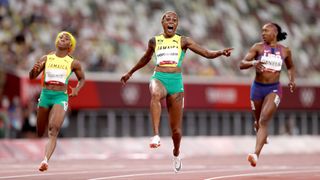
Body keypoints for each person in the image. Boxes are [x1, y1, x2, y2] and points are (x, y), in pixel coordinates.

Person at [120, 11, 233, 173]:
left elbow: (206, 53)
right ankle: (156, 135)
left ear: (177, 25)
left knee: (176, 131)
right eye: (168, 19)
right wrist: (130, 72)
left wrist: (221, 52)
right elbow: (145, 58)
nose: (171, 21)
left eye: (174, 20)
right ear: (162, 23)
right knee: (155, 94)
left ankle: (176, 152)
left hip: (176, 83)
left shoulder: (183, 41)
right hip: (159, 77)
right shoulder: (154, 41)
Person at [239, 23, 295, 167]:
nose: (262, 33)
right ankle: (261, 132)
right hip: (257, 89)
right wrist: (253, 62)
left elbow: (290, 67)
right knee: (258, 122)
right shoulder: (257, 47)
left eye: (266, 30)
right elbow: (242, 63)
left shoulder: (285, 51)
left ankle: (255, 155)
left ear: (275, 32)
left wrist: (291, 80)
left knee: (264, 121)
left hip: (274, 89)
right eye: (262, 30)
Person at [29, 31, 85, 172]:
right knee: (40, 130)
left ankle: (45, 160)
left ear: (70, 45)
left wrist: (77, 89)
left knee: (53, 129)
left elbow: (82, 79)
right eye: (61, 37)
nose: (63, 39)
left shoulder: (73, 62)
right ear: (56, 41)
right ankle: (44, 148)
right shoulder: (46, 58)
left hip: (60, 96)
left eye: (66, 38)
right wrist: (33, 70)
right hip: (45, 95)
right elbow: (32, 76)